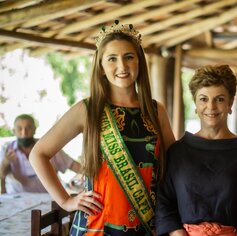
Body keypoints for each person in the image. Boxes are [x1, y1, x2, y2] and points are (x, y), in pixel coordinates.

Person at [29, 20, 175, 236]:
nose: (122, 66)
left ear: (139, 62)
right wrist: (66, 200)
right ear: (101, 67)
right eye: (112, 59)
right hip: (95, 226)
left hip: (146, 225)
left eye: (129, 57)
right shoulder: (87, 110)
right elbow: (38, 154)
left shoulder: (156, 111)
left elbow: (175, 165)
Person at [156, 65, 237, 236]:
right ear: (195, 103)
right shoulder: (177, 152)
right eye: (203, 99)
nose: (211, 107)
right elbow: (163, 202)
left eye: (219, 99)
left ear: (230, 103)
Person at [0, 114, 81, 194]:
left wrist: (88, 175)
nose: (24, 133)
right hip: (17, 200)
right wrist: (5, 162)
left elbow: (75, 166)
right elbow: (1, 175)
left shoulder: (49, 146)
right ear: (14, 131)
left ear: (34, 129)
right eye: (19, 129)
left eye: (28, 128)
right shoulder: (6, 149)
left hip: (48, 199)